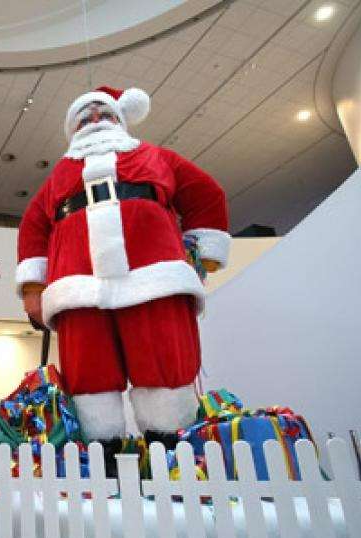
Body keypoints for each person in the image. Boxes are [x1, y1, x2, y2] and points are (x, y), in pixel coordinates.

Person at [16, 85, 230, 473]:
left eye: (104, 115)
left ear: (121, 120)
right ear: (73, 130)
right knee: (89, 375)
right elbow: (33, 228)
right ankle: (104, 463)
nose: (95, 122)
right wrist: (33, 288)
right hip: (78, 288)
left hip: (154, 279)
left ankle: (173, 458)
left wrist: (202, 251)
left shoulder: (157, 157)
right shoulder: (58, 176)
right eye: (85, 118)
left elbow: (206, 194)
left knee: (163, 366)